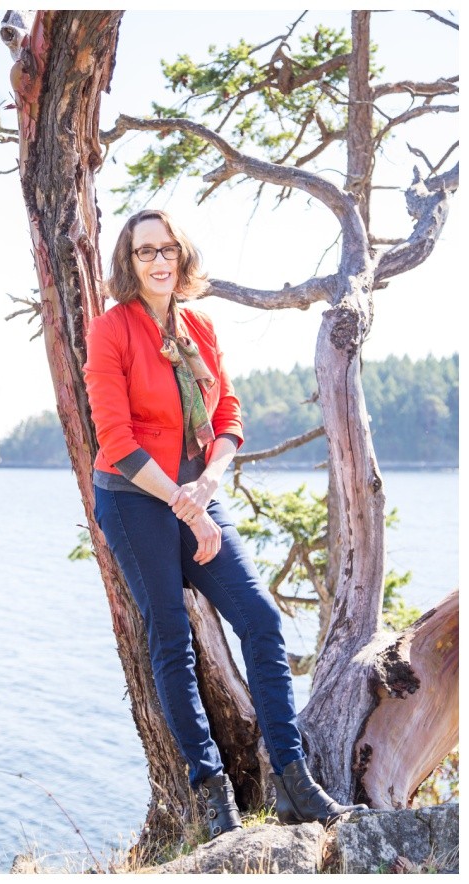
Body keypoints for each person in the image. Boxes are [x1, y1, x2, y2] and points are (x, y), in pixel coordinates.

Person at [83, 209, 365, 839]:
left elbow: (229, 411)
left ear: (182, 256)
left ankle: (292, 782)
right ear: (128, 265)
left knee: (261, 620)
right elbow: (116, 440)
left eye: (167, 249)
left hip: (194, 487)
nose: (158, 261)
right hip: (132, 497)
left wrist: (207, 485)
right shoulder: (111, 331)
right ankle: (212, 795)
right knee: (171, 637)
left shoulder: (200, 327)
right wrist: (186, 502)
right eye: (144, 252)